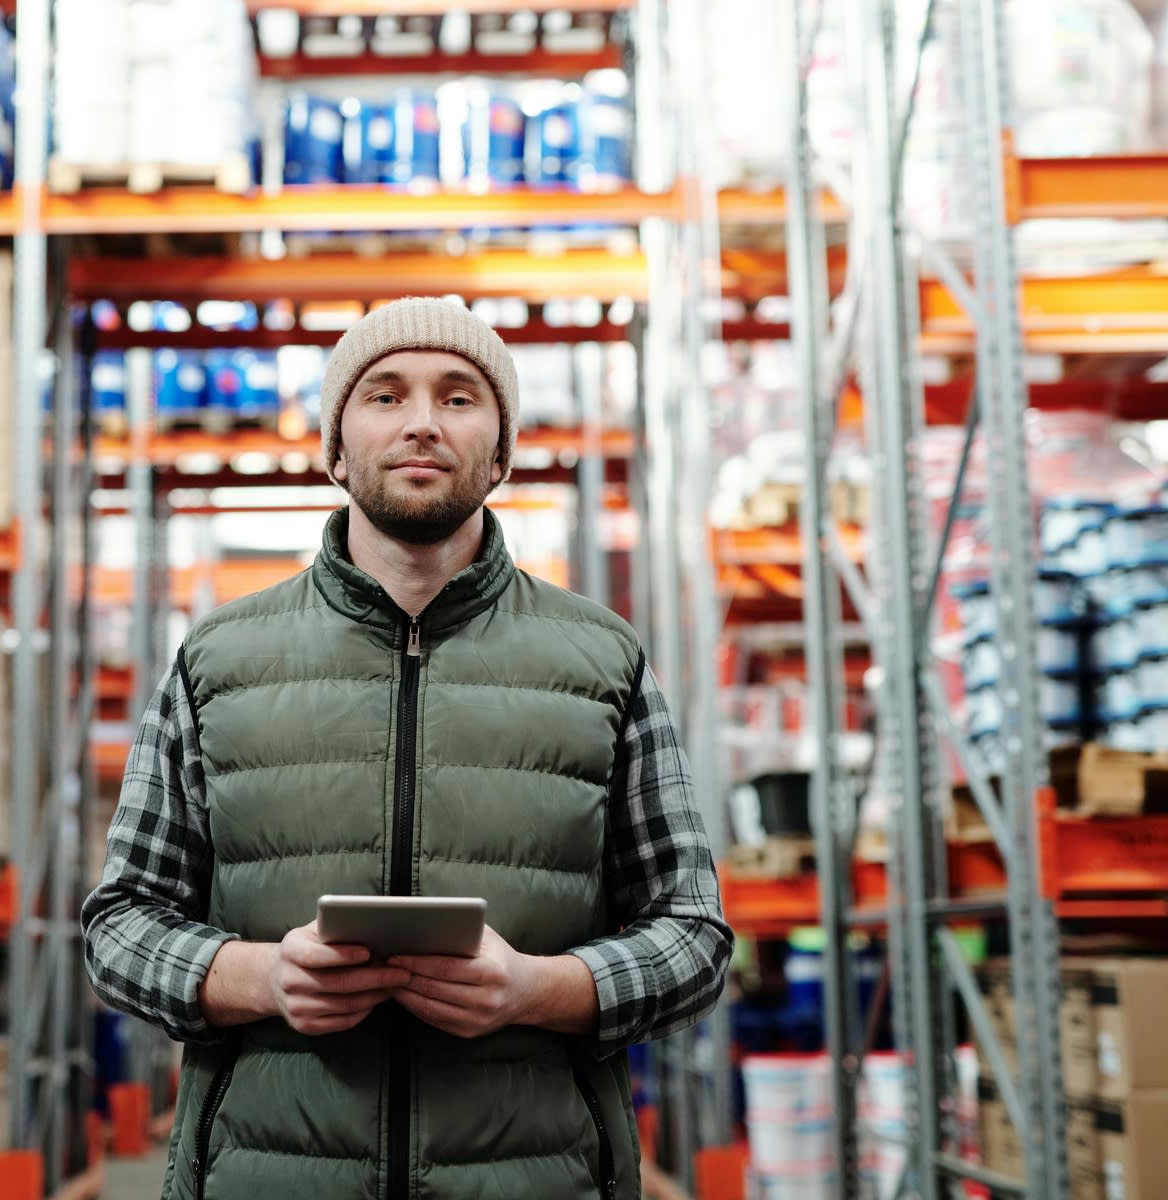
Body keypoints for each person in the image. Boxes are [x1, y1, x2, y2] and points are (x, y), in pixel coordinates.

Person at [82, 298, 733, 1200]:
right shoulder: (215, 663)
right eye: (385, 395)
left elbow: (694, 935)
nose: (422, 421)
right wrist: (263, 978)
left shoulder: (603, 661)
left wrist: (536, 990)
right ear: (336, 448)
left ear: (500, 453)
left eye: (459, 398)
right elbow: (119, 927)